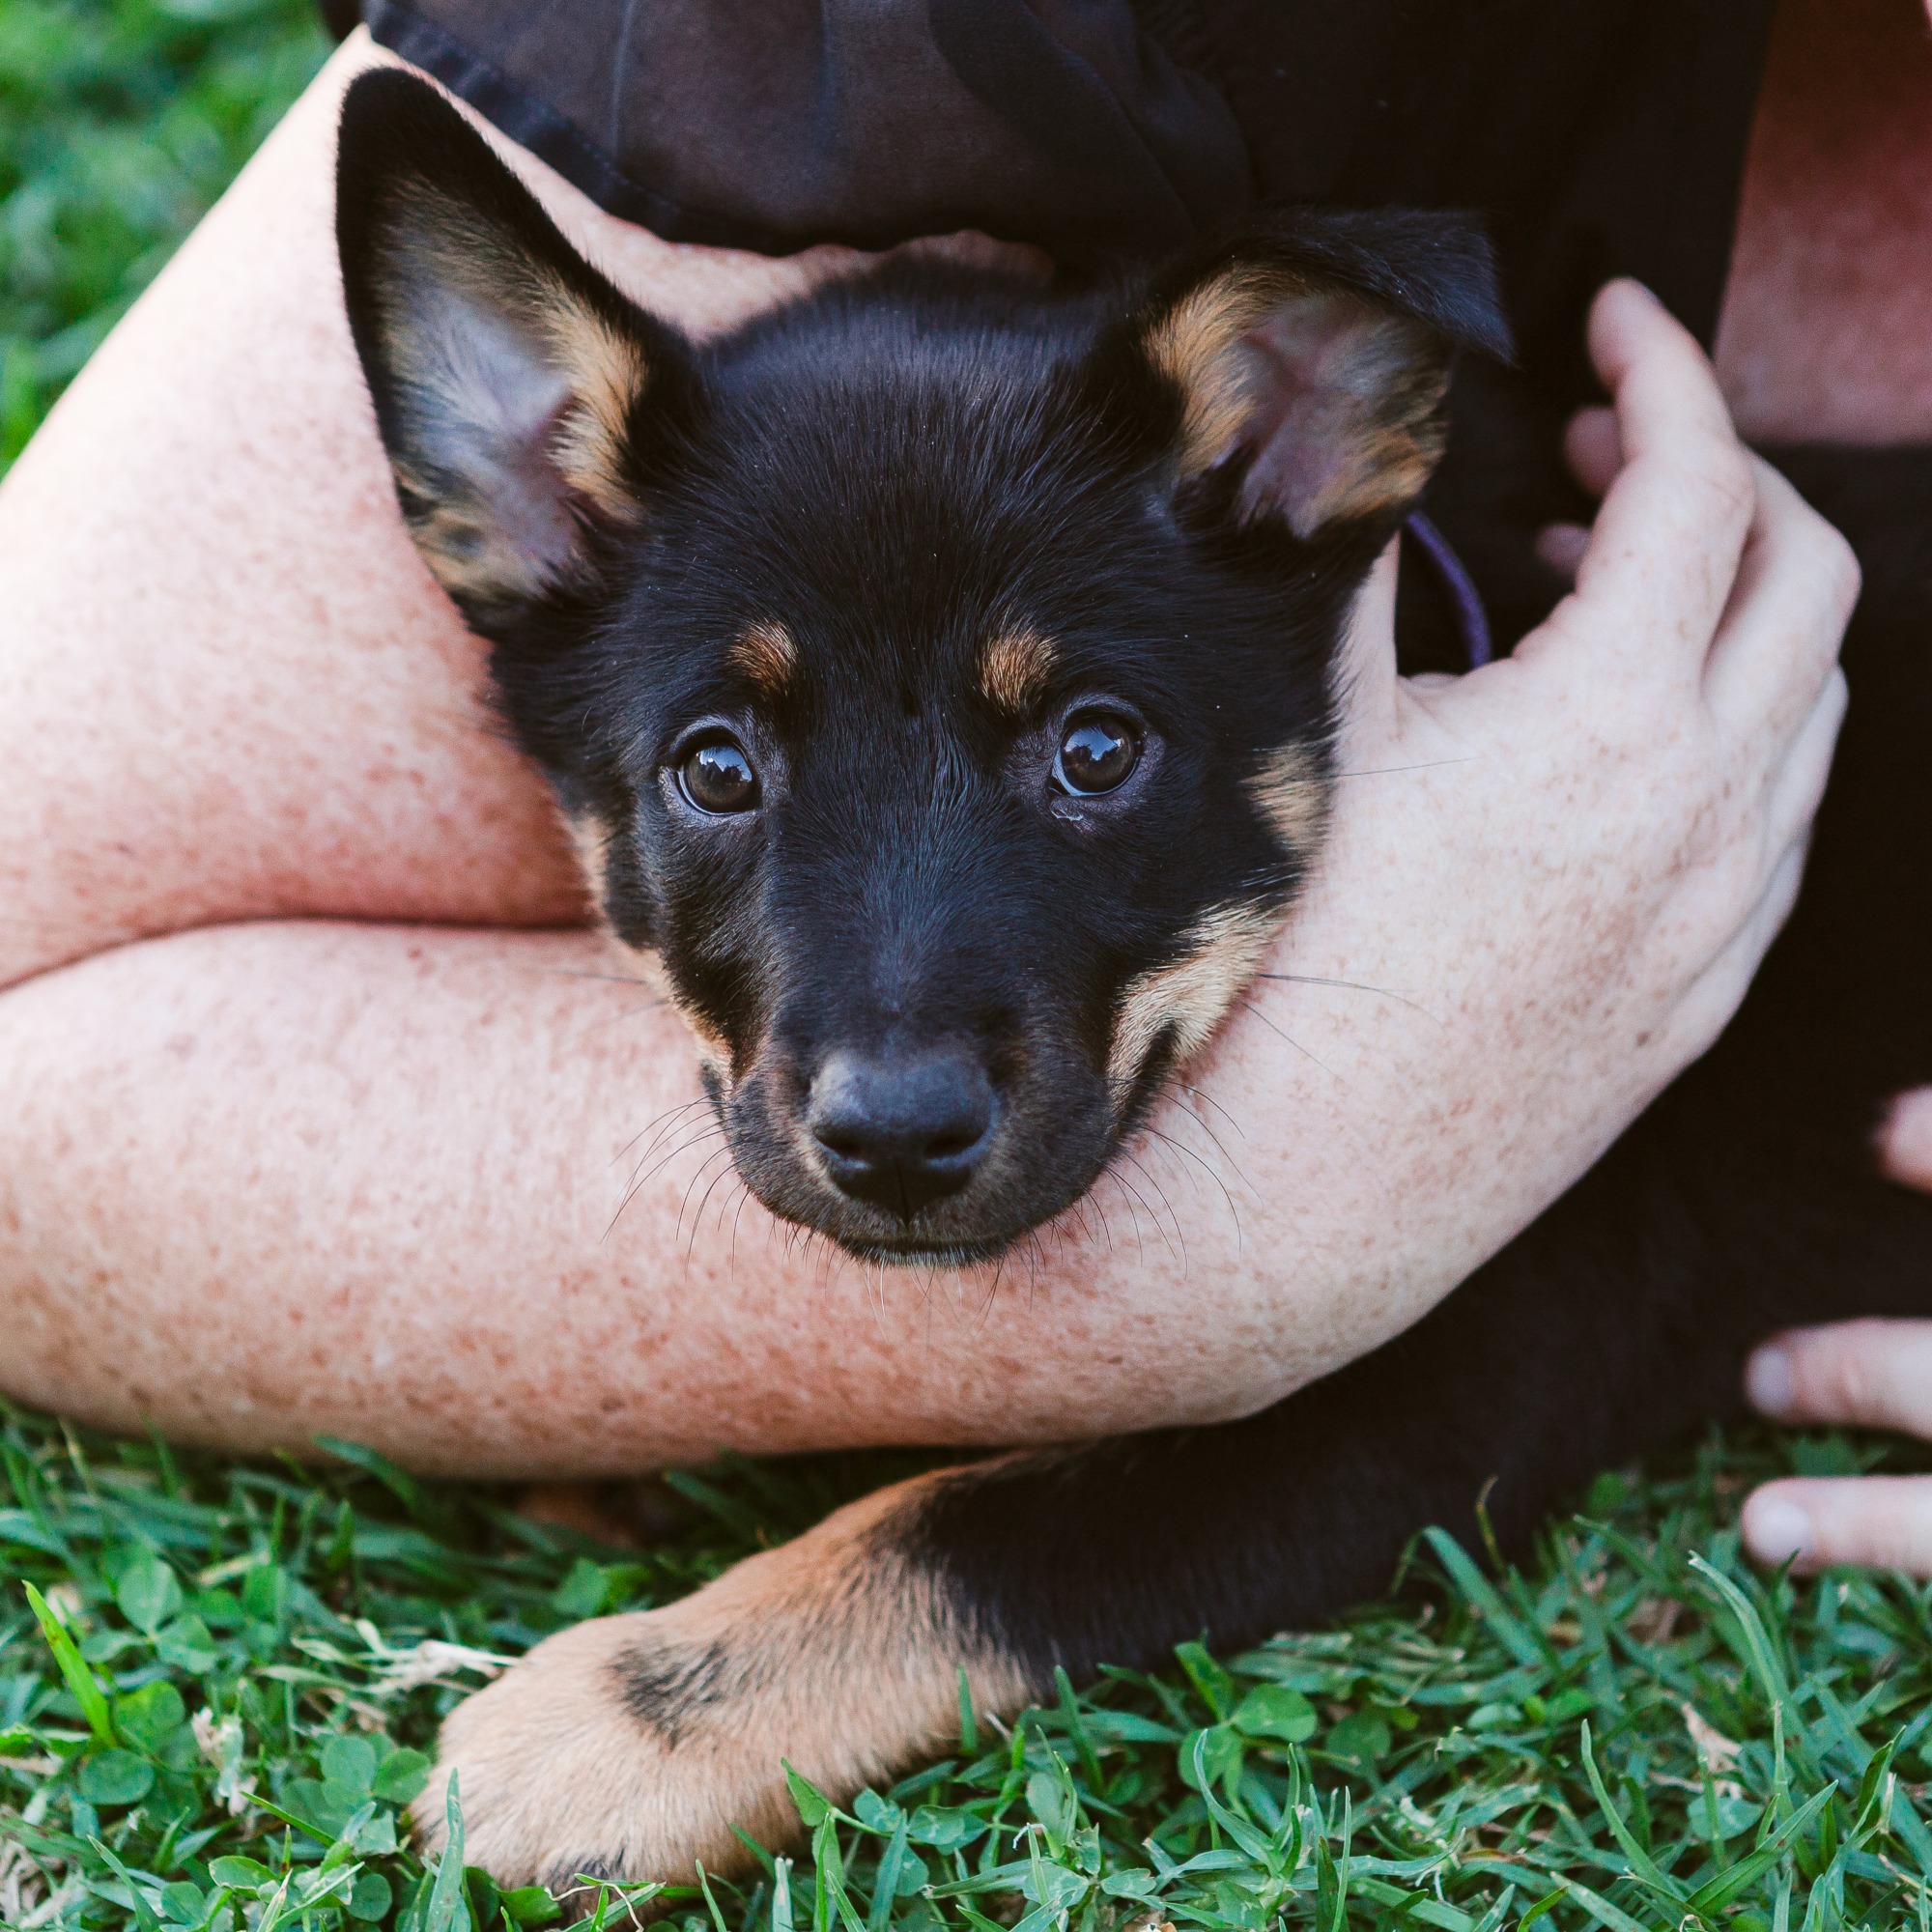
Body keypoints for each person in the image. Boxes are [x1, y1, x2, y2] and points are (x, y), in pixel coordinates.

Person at [0, 0, 1925, 1572]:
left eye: (1090, 749)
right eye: (720, 764)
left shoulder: (1249, 459)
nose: (890, 1078)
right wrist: (1261, 1226)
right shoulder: (894, 66)